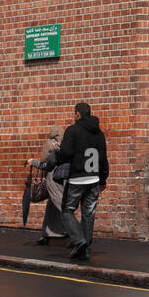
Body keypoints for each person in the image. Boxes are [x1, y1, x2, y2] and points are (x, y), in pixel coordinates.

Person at [43, 101, 109, 261]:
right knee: (88, 215)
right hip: (94, 179)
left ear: (78, 114)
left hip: (78, 179)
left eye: (74, 114)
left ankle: (79, 241)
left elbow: (65, 153)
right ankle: (85, 249)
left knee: (67, 211)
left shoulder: (73, 130)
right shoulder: (99, 134)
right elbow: (103, 159)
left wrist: (52, 160)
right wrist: (103, 179)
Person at [27, 125, 65, 244]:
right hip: (64, 179)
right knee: (52, 208)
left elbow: (45, 164)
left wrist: (33, 162)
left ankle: (76, 235)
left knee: (62, 207)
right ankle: (46, 234)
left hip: (53, 180)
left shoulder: (49, 144)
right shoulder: (67, 145)